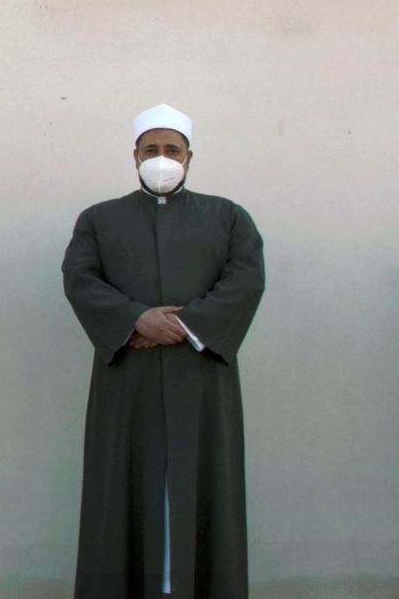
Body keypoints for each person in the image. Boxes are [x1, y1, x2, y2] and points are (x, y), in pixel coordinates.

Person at [62, 103, 265, 598]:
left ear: (189, 157)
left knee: (204, 487)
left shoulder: (228, 217)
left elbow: (246, 279)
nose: (161, 158)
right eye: (151, 149)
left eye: (171, 150)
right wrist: (136, 320)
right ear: (134, 155)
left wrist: (183, 325)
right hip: (126, 382)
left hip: (201, 379)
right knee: (124, 491)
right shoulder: (99, 219)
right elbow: (80, 279)